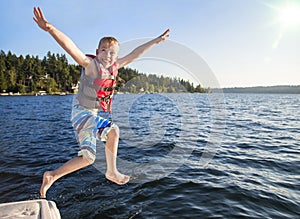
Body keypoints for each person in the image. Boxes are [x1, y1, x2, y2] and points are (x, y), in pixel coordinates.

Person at [33, 7, 170, 198]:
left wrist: (156, 41)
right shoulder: (91, 66)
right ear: (97, 52)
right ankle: (112, 171)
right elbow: (70, 47)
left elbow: (136, 54)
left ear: (116, 56)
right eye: (104, 51)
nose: (108, 55)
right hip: (82, 113)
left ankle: (51, 176)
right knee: (113, 130)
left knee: (88, 158)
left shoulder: (115, 66)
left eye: (113, 53)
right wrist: (50, 28)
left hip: (88, 117)